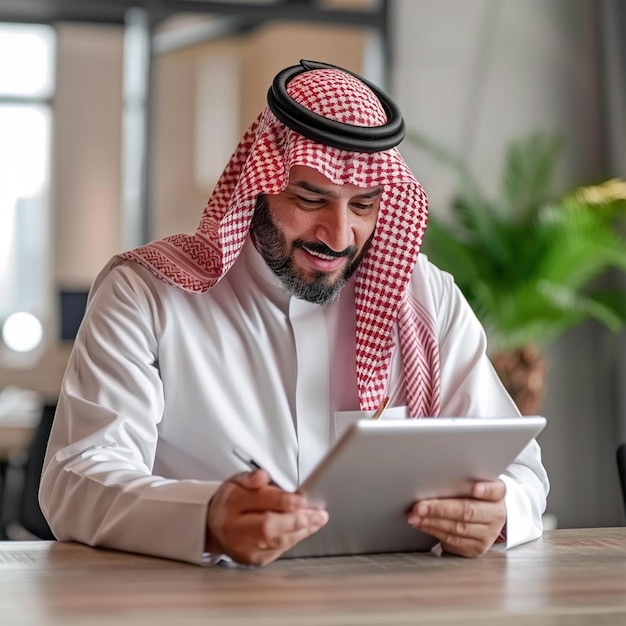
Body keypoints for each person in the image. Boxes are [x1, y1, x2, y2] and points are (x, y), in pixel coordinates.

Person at [40, 60, 549, 567]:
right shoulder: (147, 295)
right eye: (310, 198)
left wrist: (498, 511)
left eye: (364, 206)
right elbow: (77, 479)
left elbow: (523, 473)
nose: (339, 236)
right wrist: (206, 518)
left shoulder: (424, 297)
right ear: (257, 184)